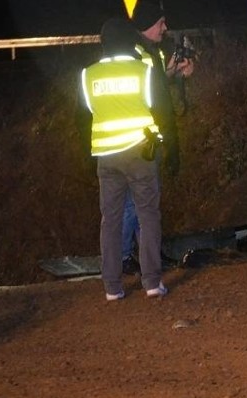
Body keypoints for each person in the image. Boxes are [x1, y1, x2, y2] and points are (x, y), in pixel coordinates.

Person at [76, 17, 180, 300]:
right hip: (139, 152)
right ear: (129, 41)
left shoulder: (89, 75)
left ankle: (112, 287)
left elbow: (86, 115)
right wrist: (161, 141)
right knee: (147, 216)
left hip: (106, 157)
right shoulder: (142, 70)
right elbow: (158, 110)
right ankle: (152, 283)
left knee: (110, 220)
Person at [120, 1, 194, 274]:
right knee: (135, 203)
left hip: (151, 136)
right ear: (149, 24)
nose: (165, 27)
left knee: (145, 202)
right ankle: (125, 257)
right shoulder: (137, 54)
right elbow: (148, 94)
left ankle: (145, 254)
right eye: (161, 22)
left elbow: (157, 86)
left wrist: (175, 73)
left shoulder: (153, 53)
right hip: (139, 138)